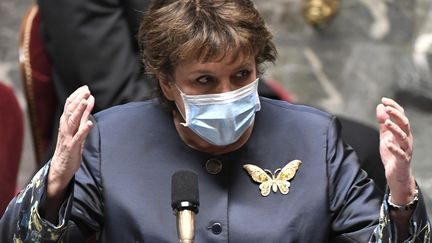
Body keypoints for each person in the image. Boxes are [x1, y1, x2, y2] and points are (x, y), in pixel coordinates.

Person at [1, 0, 430, 242]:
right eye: (204, 81)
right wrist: (55, 183)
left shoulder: (314, 135)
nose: (226, 94)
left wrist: (401, 195)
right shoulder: (112, 138)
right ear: (167, 83)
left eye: (241, 76)